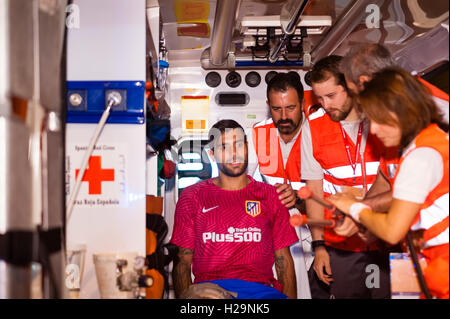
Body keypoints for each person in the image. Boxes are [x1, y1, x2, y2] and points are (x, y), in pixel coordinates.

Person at [328, 67, 449, 299]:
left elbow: (393, 231)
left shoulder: (422, 156)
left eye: (378, 120)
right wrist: (374, 228)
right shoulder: (433, 141)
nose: (373, 129)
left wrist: (352, 206)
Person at [171, 119, 299, 299]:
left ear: (247, 148)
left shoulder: (271, 196)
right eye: (224, 147)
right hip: (209, 293)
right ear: (212, 154)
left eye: (238, 145)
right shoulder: (192, 197)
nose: (234, 154)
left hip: (261, 294)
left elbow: (283, 261)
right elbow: (183, 261)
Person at [301, 55, 391, 299]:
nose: (325, 104)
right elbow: (314, 192)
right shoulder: (314, 125)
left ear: (351, 87)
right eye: (319, 98)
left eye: (331, 96)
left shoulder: (383, 119)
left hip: (388, 239)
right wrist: (318, 247)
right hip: (341, 245)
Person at [246, 72, 313, 299]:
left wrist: (299, 199)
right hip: (276, 233)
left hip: (316, 229)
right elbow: (242, 184)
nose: (284, 116)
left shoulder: (317, 134)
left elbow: (333, 195)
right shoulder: (257, 134)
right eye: (277, 109)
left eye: (291, 108)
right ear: (268, 106)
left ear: (303, 104)